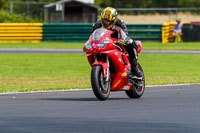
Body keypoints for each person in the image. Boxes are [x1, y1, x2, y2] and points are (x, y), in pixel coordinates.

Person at [92, 7, 143, 78]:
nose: (105, 22)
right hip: (104, 44)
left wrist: (123, 41)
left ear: (113, 20)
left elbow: (125, 36)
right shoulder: (97, 25)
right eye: (104, 20)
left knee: (132, 44)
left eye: (108, 21)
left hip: (118, 43)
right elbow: (93, 37)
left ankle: (134, 68)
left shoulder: (120, 24)